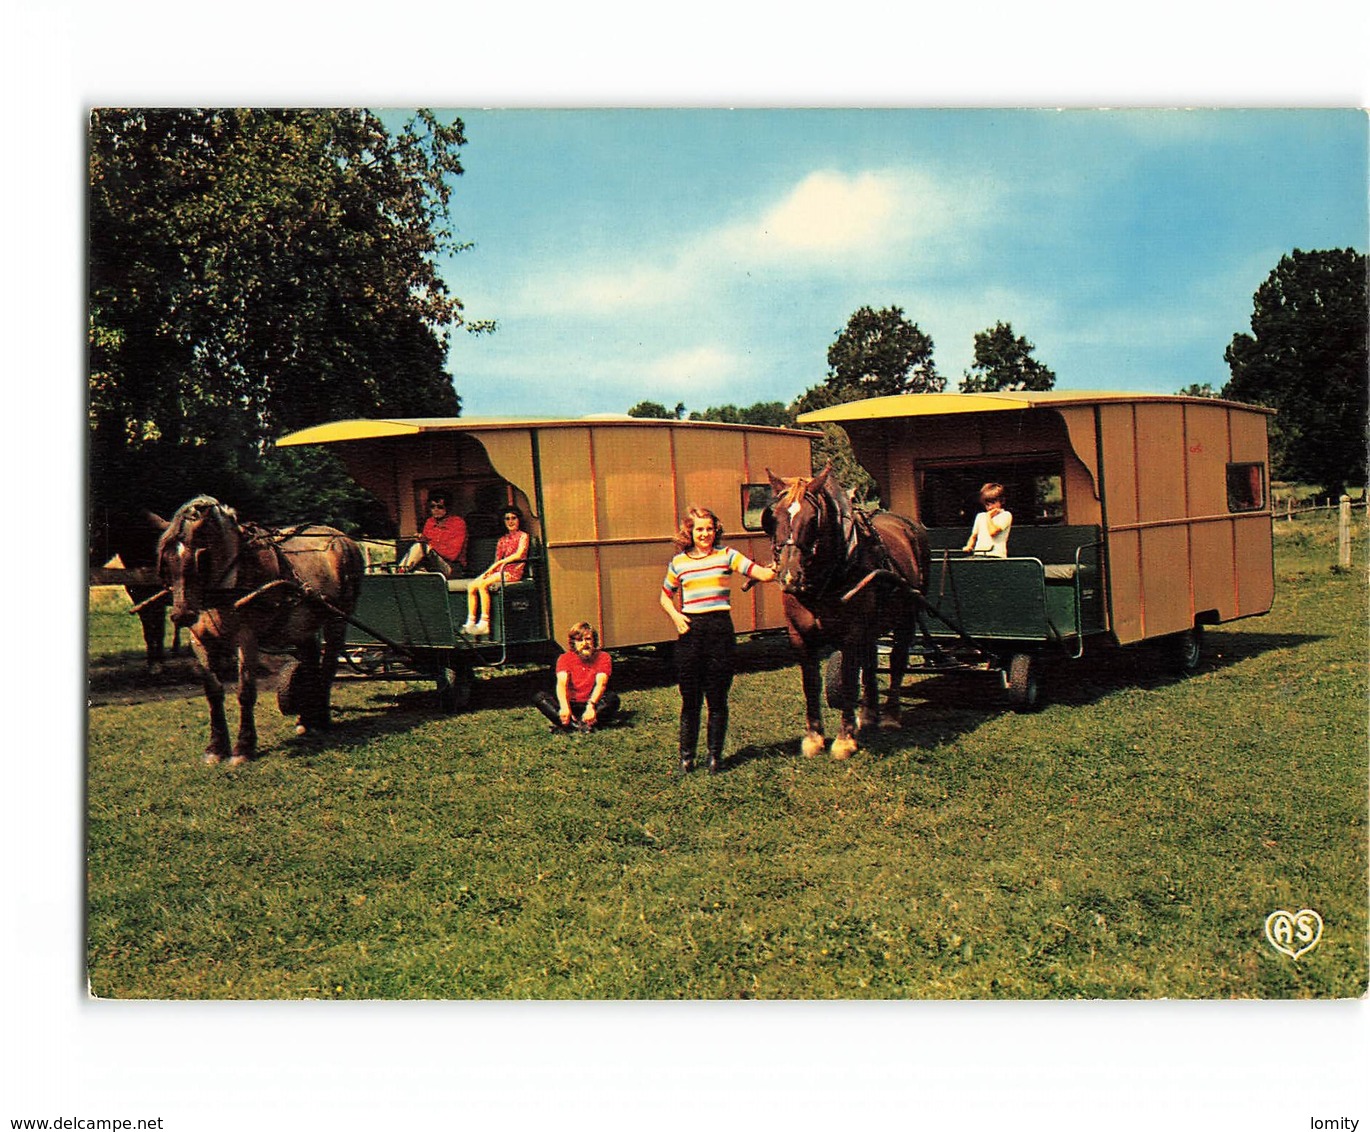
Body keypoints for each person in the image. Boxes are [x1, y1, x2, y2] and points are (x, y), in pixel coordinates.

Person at [659, 506, 777, 775]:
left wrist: (777, 566)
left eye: (710, 529)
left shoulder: (727, 556)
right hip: (690, 633)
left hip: (720, 632)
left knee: (717, 698)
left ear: (716, 530)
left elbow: (762, 574)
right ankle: (686, 758)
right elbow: (665, 596)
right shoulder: (679, 563)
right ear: (690, 532)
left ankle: (715, 757)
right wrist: (676, 617)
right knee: (690, 700)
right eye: (699, 529)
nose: (705, 534)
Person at [533, 621, 620, 731]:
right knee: (540, 697)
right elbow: (561, 684)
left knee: (612, 699)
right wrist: (564, 707)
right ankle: (582, 725)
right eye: (579, 640)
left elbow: (601, 684)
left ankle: (570, 725)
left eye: (588, 639)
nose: (584, 644)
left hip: (592, 701)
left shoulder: (604, 657)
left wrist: (591, 706)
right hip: (571, 704)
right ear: (573, 643)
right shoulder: (564, 658)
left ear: (594, 641)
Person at [462, 506, 530, 636]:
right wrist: (487, 573)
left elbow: (519, 555)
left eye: (513, 518)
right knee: (472, 585)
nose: (510, 521)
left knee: (483, 585)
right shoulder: (502, 540)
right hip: (500, 571)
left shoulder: (523, 536)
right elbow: (497, 559)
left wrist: (499, 564)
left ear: (519, 520)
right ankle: (470, 622)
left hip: (513, 571)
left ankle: (484, 623)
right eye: (507, 519)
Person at [397, 491, 468, 577]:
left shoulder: (458, 523)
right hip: (431, 565)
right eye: (432, 507)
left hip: (451, 567)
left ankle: (400, 571)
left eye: (440, 507)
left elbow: (452, 555)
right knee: (415, 571)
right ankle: (401, 572)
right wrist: (423, 541)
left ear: (447, 508)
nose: (436, 510)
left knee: (420, 546)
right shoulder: (430, 522)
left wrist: (428, 545)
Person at [962, 482, 1013, 557]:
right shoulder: (980, 516)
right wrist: (969, 546)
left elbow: (993, 532)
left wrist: (988, 517)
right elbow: (974, 536)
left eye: (993, 503)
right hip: (978, 555)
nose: (990, 507)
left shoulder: (1006, 515)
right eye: (987, 504)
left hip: (996, 556)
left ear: (1001, 501)